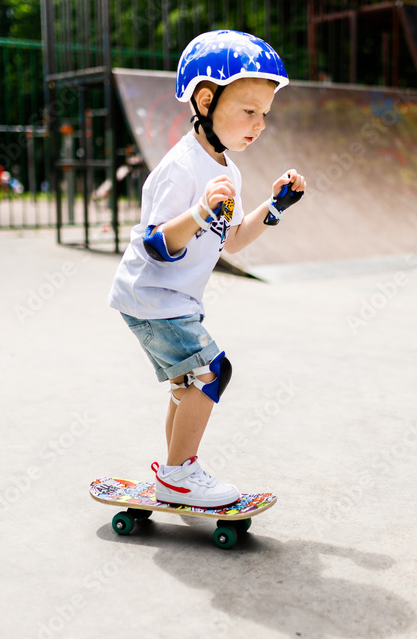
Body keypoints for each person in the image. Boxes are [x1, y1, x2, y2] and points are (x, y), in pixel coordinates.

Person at [107, 30, 307, 508]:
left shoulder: (227, 171)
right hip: (152, 295)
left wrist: (274, 206)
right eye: (249, 111)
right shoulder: (181, 168)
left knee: (185, 383)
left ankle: (172, 471)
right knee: (212, 371)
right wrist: (198, 212)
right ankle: (180, 474)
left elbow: (232, 239)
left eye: (265, 114)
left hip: (169, 300)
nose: (259, 124)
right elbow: (157, 243)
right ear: (205, 99)